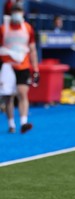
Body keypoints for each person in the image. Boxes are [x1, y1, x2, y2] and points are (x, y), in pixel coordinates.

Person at [0, 3, 39, 134]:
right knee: (8, 97)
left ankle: (23, 122)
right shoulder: (3, 28)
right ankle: (11, 124)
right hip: (7, 66)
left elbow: (32, 49)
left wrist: (35, 67)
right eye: (14, 12)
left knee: (22, 93)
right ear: (10, 13)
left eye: (19, 11)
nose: (17, 14)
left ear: (23, 13)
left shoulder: (28, 28)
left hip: (23, 64)